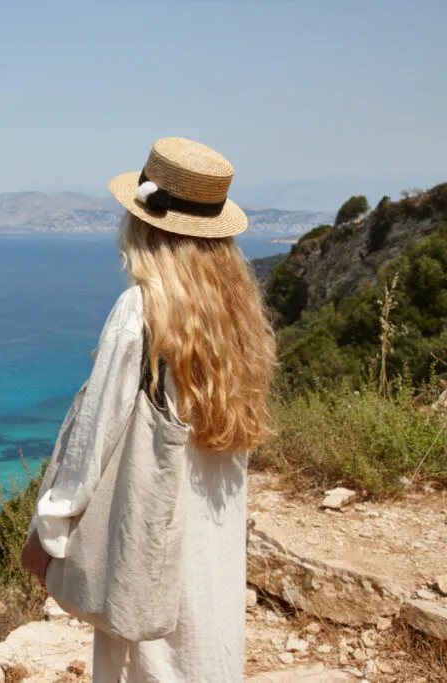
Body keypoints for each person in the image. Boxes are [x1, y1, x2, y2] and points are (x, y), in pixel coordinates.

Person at [21, 137, 276, 682]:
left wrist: (49, 531)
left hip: (150, 529)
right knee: (204, 650)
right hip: (213, 530)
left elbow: (97, 434)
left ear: (145, 224)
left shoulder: (141, 309)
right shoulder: (238, 313)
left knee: (145, 658)